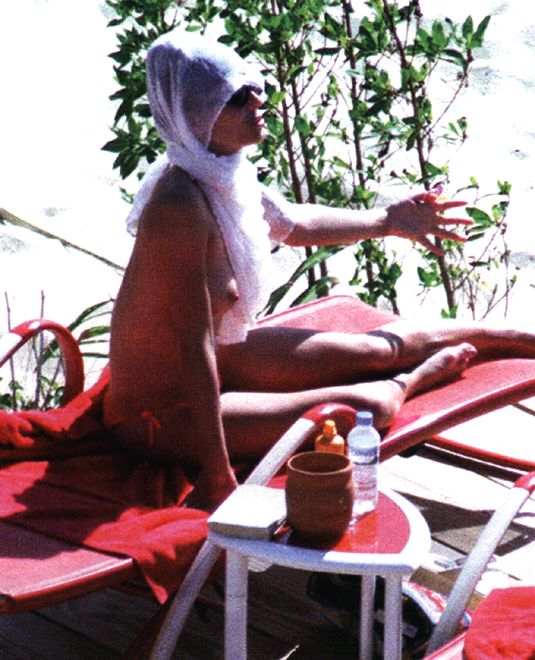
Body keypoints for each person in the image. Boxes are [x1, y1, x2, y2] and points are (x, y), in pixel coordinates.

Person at [104, 29, 535, 511]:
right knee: (366, 408)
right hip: (162, 411)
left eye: (256, 88)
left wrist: (389, 221)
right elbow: (193, 346)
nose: (259, 101)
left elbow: (293, 223)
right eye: (239, 98)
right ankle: (412, 380)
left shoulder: (219, 171)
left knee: (379, 348)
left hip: (220, 360)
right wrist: (218, 472)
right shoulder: (179, 206)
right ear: (197, 117)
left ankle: (519, 336)